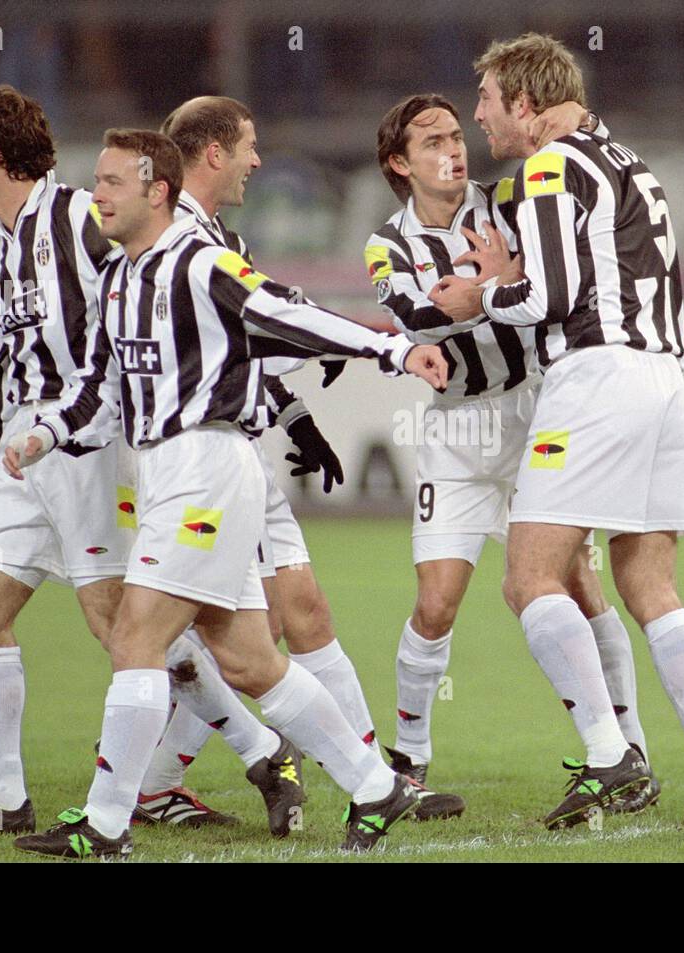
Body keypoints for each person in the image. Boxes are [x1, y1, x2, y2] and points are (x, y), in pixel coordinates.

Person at [5, 129, 449, 856]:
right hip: (168, 475)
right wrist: (45, 434)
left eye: (112, 181)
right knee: (248, 659)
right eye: (96, 180)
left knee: (136, 637)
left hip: (206, 467)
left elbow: (291, 315)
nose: (97, 196)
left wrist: (394, 349)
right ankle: (376, 785)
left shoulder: (200, 263)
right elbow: (100, 391)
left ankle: (106, 823)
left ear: (158, 191)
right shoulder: (119, 277)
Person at [431, 34, 684, 830]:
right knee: (652, 586)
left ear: (528, 106)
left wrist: (479, 298)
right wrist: (513, 277)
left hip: (596, 379)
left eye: (489, 102)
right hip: (664, 381)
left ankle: (609, 755)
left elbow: (548, 297)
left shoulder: (549, 165)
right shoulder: (631, 162)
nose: (479, 118)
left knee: (529, 577)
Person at [150, 94, 462, 822]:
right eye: (250, 145)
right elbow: (276, 318)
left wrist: (292, 415)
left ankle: (379, 779)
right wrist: (385, 348)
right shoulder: (177, 244)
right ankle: (169, 779)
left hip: (241, 448)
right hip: (192, 459)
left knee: (298, 614)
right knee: (196, 639)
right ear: (214, 152)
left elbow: (246, 341)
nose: (260, 161)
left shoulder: (213, 237)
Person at [365, 92, 659, 815]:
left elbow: (549, 277)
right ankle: (409, 759)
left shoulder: (508, 198)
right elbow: (410, 315)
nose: (454, 149)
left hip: (537, 412)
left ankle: (626, 748)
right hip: (457, 431)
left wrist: (491, 285)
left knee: (577, 583)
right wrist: (481, 291)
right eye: (432, 141)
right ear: (399, 163)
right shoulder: (387, 244)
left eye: (457, 135)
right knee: (436, 604)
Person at [0, 85, 128, 837]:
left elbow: (134, 301)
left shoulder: (72, 215)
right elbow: (6, 363)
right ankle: (3, 797)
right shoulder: (2, 243)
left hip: (89, 441)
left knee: (118, 623)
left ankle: (263, 752)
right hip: (20, 449)